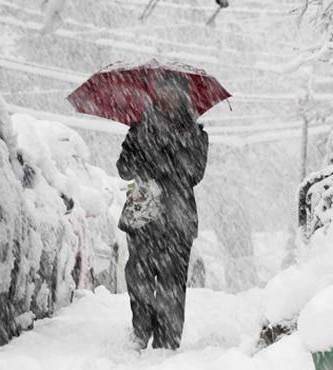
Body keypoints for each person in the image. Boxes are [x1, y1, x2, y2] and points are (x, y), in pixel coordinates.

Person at [117, 74, 209, 350]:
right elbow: (123, 168)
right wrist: (140, 155)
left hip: (177, 219)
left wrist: (170, 156)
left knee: (171, 284)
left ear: (183, 98)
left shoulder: (195, 134)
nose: (167, 98)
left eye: (173, 93)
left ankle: (167, 342)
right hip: (143, 216)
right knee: (139, 277)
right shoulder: (139, 129)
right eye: (162, 92)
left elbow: (195, 173)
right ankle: (140, 331)